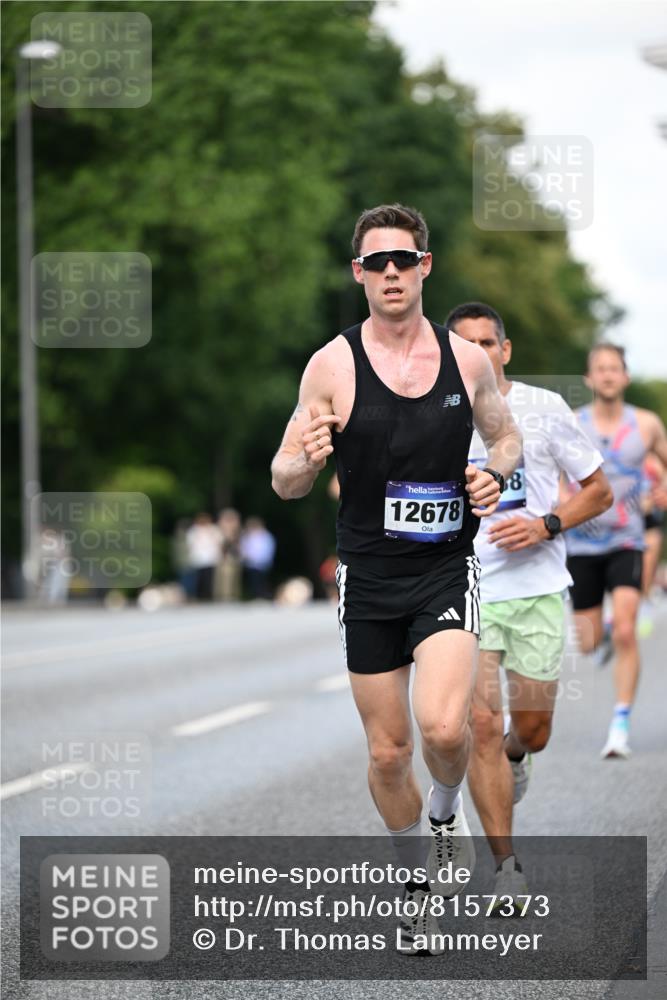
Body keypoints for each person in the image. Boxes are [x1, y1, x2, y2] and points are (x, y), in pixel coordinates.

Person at [271, 204, 521, 954]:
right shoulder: (330, 365)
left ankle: (445, 815)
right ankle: (416, 887)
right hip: (369, 576)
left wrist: (492, 476)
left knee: (446, 729)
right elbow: (283, 478)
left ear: (424, 267)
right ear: (357, 274)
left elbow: (503, 436)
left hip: (445, 568)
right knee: (387, 751)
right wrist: (305, 459)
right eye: (376, 262)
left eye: (403, 261)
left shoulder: (465, 360)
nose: (390, 273)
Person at [446, 302, 612, 904]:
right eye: (464, 344)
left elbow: (599, 492)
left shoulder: (544, 409)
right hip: (464, 590)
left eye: (488, 342)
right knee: (481, 727)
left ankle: (521, 754)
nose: (478, 354)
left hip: (538, 589)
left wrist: (545, 524)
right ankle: (506, 869)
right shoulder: (432, 415)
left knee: (531, 731)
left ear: (505, 351)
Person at [565, 343, 667, 758]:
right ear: (589, 379)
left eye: (615, 369)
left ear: (625, 377)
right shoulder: (572, 423)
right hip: (580, 545)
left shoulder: (647, 424)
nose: (607, 375)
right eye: (600, 369)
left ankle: (620, 724)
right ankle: (602, 632)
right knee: (588, 642)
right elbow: (553, 474)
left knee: (627, 627)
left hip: (628, 540)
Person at [185, 513, 221, 602]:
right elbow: (190, 544)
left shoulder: (213, 529)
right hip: (198, 558)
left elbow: (219, 541)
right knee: (198, 579)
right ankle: (198, 596)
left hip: (210, 558)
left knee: (209, 579)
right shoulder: (194, 531)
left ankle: (208, 596)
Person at [240, 517, 276, 599]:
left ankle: (263, 595)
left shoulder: (266, 536)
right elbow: (244, 548)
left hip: (262, 563)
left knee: (262, 580)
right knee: (254, 581)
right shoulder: (247, 536)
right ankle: (256, 595)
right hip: (251, 563)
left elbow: (268, 550)